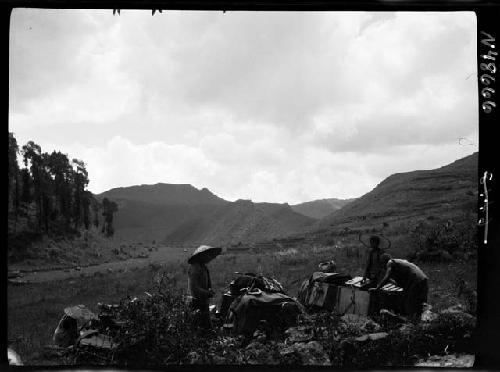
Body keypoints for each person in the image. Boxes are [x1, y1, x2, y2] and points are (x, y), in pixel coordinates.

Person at [369, 254, 429, 318]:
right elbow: (401, 281)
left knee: (409, 304)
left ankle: (410, 322)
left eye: (382, 264)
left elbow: (387, 277)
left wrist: (377, 288)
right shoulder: (400, 262)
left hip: (415, 280)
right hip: (423, 279)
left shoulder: (390, 262)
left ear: (384, 262)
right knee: (420, 304)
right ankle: (421, 321)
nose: (383, 267)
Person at [187, 245, 221, 331]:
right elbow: (194, 287)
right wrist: (207, 293)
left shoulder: (203, 268)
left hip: (203, 301)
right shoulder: (195, 268)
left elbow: (207, 285)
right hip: (195, 302)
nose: (210, 257)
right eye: (208, 255)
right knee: (197, 327)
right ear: (201, 256)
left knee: (207, 327)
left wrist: (209, 290)